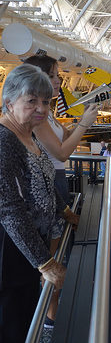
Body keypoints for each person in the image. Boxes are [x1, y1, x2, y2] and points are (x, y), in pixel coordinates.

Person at [0, 64, 66, 343]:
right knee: (12, 321)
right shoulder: (4, 141)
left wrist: (63, 209)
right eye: (32, 100)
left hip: (30, 244)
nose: (41, 108)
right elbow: (9, 208)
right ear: (9, 103)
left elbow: (42, 179)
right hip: (10, 249)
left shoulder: (30, 132)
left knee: (28, 310)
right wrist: (45, 263)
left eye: (46, 101)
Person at [24, 55, 98, 205]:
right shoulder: (36, 116)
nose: (58, 80)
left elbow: (67, 136)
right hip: (50, 181)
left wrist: (84, 119)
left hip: (58, 176)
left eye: (57, 75)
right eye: (51, 76)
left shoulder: (47, 113)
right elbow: (62, 154)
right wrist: (84, 124)